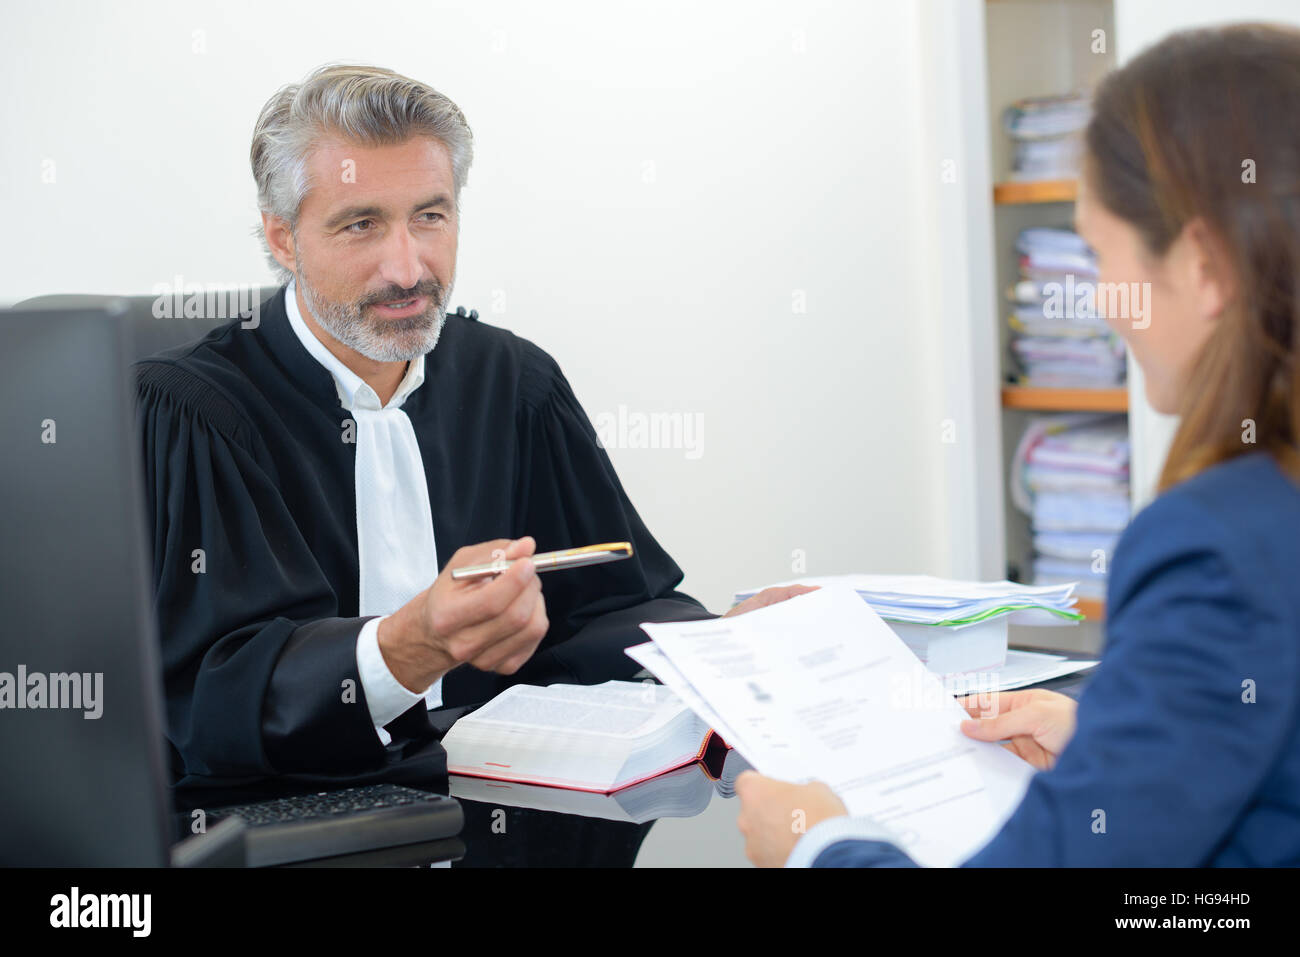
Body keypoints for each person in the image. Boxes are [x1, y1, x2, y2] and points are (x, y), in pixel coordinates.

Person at [136, 64, 797, 788]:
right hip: (301, 819)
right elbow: (211, 703)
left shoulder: (515, 384)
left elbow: (604, 610)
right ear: (283, 238)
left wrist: (717, 645)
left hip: (496, 811)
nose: (407, 266)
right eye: (362, 224)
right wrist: (404, 647)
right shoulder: (197, 415)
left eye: (430, 215)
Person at [735, 23, 1300, 867]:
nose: (1102, 303)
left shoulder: (1215, 541)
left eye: (1102, 254)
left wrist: (820, 842)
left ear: (1206, 268)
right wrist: (1115, 745)